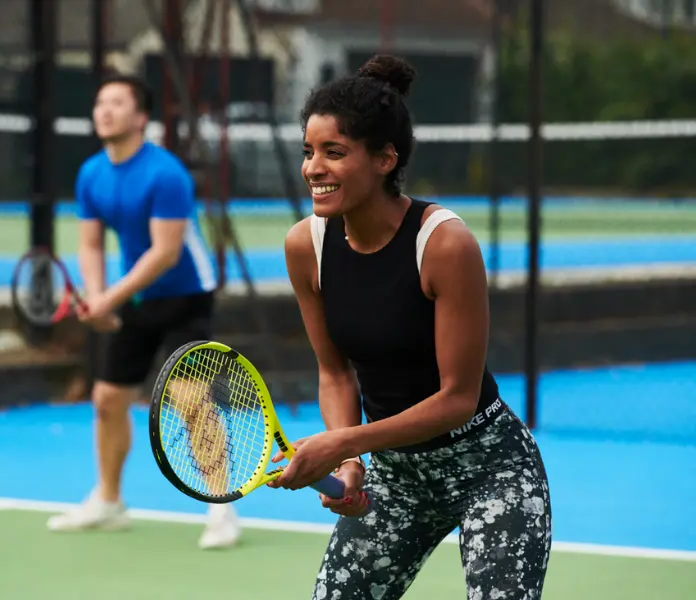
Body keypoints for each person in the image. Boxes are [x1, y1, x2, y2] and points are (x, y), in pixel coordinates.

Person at [268, 55, 553, 599]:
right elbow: (335, 373)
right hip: (395, 480)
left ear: (385, 159)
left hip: (490, 470)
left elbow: (457, 399)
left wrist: (341, 442)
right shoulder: (305, 246)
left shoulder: (444, 243)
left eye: (334, 152)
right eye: (308, 152)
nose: (313, 168)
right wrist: (350, 464)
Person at [46, 73, 241, 550]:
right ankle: (109, 501)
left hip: (186, 295)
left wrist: (107, 300)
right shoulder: (91, 173)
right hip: (136, 297)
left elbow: (165, 253)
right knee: (107, 400)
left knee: (189, 398)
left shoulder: (165, 174)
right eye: (100, 102)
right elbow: (91, 244)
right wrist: (95, 296)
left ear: (140, 118)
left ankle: (221, 507)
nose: (104, 110)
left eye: (117, 103)